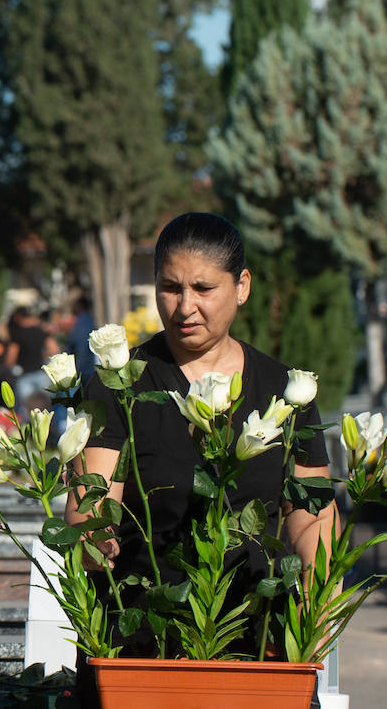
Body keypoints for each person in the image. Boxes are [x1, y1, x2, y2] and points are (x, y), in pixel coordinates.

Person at [65, 213, 336, 683]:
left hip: (260, 645)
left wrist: (316, 603)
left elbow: (312, 513)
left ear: (242, 286)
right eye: (170, 288)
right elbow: (90, 505)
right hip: (142, 649)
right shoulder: (121, 387)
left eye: (203, 289)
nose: (184, 306)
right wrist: (93, 539)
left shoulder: (286, 391)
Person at [5, 305, 59, 416]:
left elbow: (10, 358)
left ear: (18, 317)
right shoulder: (40, 331)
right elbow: (55, 350)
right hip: (42, 375)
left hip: (24, 376)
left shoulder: (17, 334)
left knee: (27, 413)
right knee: (46, 412)